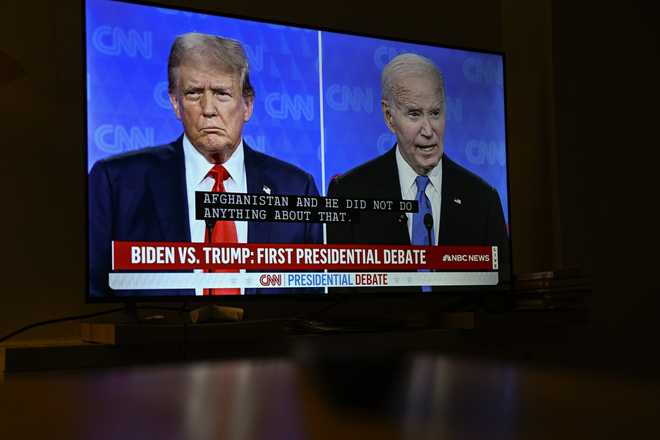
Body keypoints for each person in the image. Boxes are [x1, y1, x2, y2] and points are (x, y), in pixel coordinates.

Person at [89, 33, 322, 296]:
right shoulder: (116, 184)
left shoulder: (296, 188)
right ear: (175, 103)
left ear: (247, 105)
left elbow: (309, 305)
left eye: (222, 93)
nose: (208, 108)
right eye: (193, 93)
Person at [327, 53, 510, 288]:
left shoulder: (483, 200)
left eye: (435, 113)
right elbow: (341, 300)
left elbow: (499, 296)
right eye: (414, 114)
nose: (428, 130)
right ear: (389, 116)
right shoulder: (348, 193)